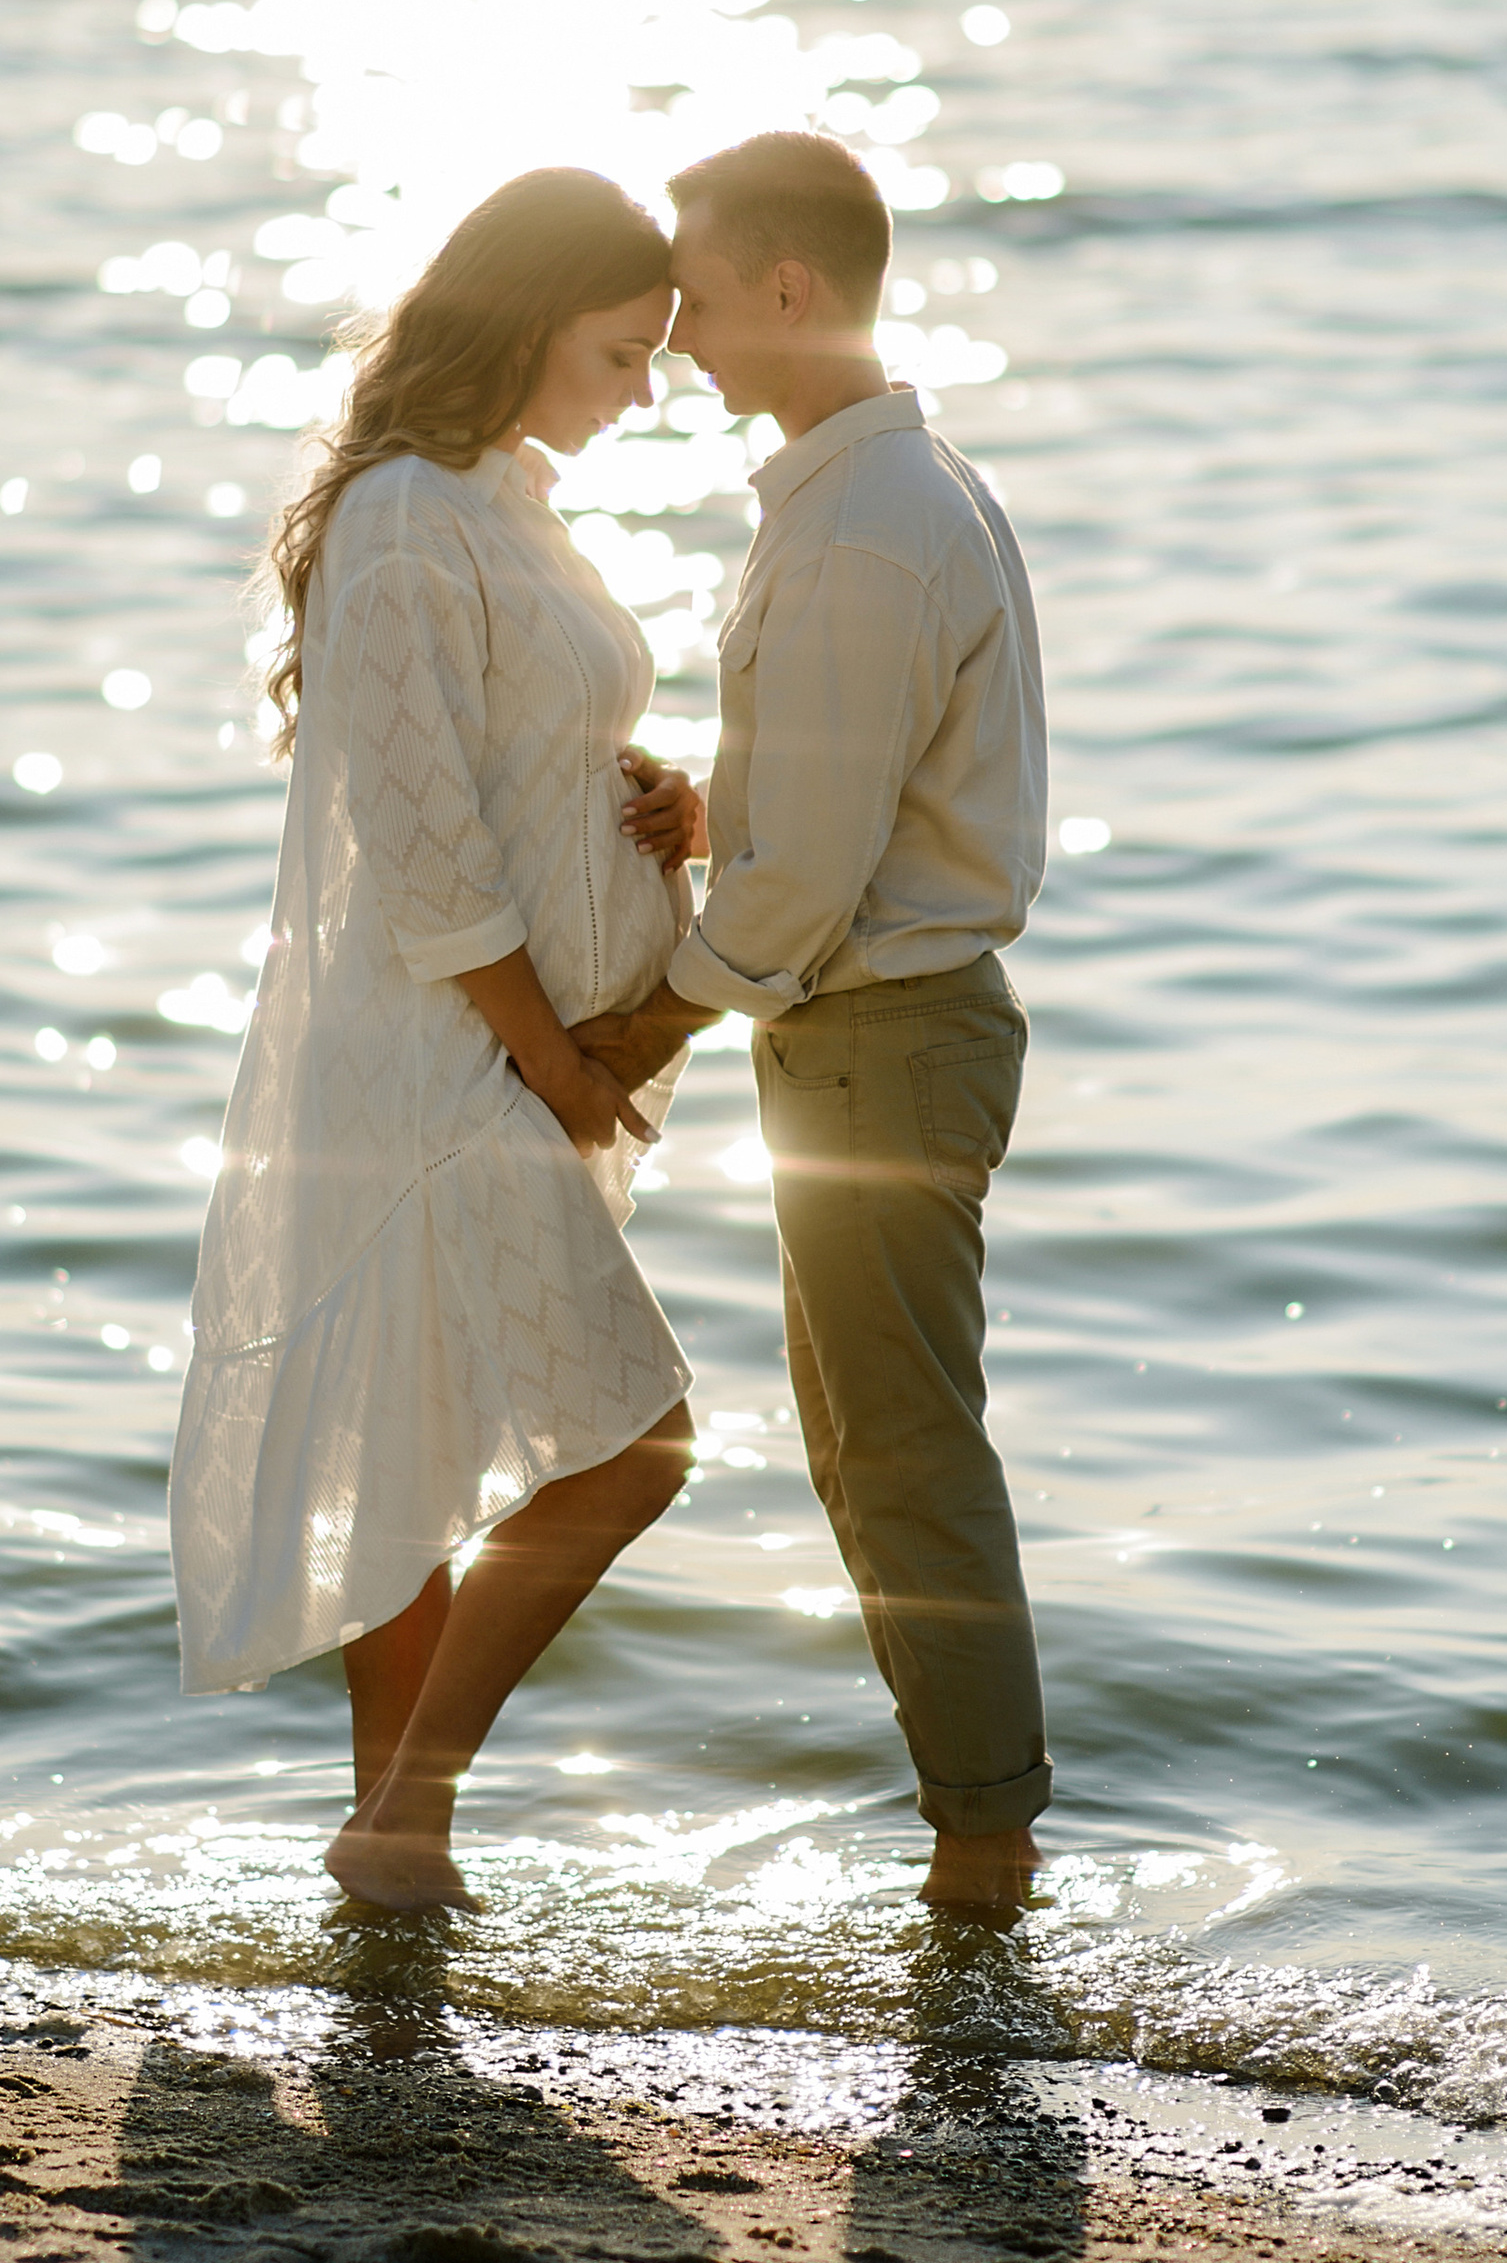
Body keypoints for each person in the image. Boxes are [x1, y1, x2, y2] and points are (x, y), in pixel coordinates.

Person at [168, 168, 709, 1914]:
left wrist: (643, 799)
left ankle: (402, 1853)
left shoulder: (504, 502)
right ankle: (402, 1812)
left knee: (414, 1462)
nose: (643, 393)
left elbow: (502, 761)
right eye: (623, 353)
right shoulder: (406, 517)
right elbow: (421, 853)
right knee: (637, 1447)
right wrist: (555, 1062)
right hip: (439, 1072)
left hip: (502, 1055)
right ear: (526, 319)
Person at [577, 130, 1053, 1915]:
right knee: (873, 1440)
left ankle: (986, 1854)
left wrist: (635, 1031)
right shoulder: (882, 489)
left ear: (789, 286)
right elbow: (863, 797)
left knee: (901, 1447)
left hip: (885, 1034)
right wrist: (728, 804)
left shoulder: (867, 523)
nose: (678, 332)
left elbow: (811, 890)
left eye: (695, 294)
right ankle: (975, 1833)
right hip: (881, 1027)